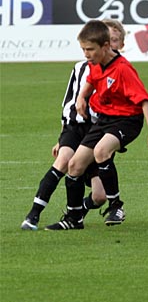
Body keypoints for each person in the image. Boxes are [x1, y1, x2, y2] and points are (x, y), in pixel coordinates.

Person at [45, 20, 148, 230]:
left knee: (101, 151)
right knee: (74, 165)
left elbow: (144, 100)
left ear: (106, 47)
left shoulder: (123, 69)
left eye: (90, 49)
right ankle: (73, 219)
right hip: (104, 120)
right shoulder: (96, 64)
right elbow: (91, 79)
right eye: (83, 49)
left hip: (127, 121)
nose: (86, 54)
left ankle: (116, 205)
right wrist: (81, 97)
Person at [20, 19, 127, 231]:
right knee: (63, 161)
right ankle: (33, 215)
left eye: (115, 40)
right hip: (75, 128)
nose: (111, 44)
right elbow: (68, 101)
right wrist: (61, 137)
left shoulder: (120, 71)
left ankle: (79, 212)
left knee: (99, 196)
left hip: (99, 131)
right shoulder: (80, 68)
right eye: (108, 39)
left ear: (119, 44)